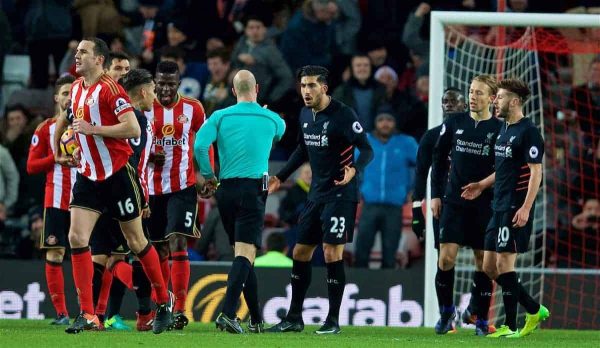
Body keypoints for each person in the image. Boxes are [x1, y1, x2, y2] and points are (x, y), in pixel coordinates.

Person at [52, 37, 171, 334]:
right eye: (77, 52)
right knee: (77, 237)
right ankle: (88, 314)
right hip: (89, 176)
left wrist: (94, 130)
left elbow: (131, 126)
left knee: (136, 242)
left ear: (99, 60)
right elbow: (68, 122)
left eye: (83, 52)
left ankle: (162, 302)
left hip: (117, 176)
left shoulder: (110, 90)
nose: (77, 56)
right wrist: (74, 146)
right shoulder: (78, 89)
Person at [266, 65, 374, 335]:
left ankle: (333, 320)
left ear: (324, 88)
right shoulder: (305, 114)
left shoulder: (343, 114)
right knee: (300, 252)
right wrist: (281, 176)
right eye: (303, 85)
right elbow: (302, 148)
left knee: (330, 252)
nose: (306, 91)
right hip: (316, 194)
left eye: (312, 85)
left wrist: (355, 170)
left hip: (341, 193)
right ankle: (293, 317)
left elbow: (367, 148)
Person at [194, 69, 286, 334]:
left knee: (244, 256)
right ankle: (227, 313)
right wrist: (263, 113)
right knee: (245, 254)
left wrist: (209, 177)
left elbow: (200, 146)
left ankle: (256, 319)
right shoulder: (273, 119)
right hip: (253, 189)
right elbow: (279, 133)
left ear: (233, 91)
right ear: (256, 88)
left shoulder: (219, 116)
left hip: (226, 189)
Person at [462, 78, 550, 338]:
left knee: (504, 263)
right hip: (497, 205)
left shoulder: (528, 131)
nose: (495, 101)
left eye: (499, 97)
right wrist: (481, 184)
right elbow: (502, 170)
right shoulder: (504, 129)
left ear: (514, 101)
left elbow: (536, 172)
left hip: (515, 206)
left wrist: (525, 207)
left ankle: (510, 325)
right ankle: (533, 308)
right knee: (489, 266)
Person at [430, 75, 502, 336]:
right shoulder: (454, 123)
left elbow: (505, 168)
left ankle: (481, 318)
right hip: (454, 202)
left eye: (479, 93)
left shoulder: (499, 129)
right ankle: (447, 311)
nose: (472, 96)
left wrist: (482, 185)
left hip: (485, 204)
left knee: (484, 262)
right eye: (471, 91)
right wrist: (436, 195)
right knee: (446, 258)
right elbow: (438, 161)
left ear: (492, 98)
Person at [146, 60, 209, 330]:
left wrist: (206, 173)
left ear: (179, 83)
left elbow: (203, 142)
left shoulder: (193, 108)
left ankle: (181, 310)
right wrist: (150, 156)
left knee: (178, 242)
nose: (165, 89)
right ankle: (164, 305)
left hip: (183, 185)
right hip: (151, 188)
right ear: (155, 82)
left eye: (171, 84)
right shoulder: (145, 107)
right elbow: (131, 143)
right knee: (158, 248)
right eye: (161, 83)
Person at [26, 75, 76, 325]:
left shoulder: (87, 126)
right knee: (55, 255)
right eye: (64, 93)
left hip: (84, 203)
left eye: (72, 92)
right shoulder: (45, 129)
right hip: (55, 201)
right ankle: (62, 314)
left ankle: (93, 313)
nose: (69, 97)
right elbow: (31, 166)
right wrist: (54, 159)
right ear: (56, 97)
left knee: (88, 256)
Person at [89, 50, 133, 331]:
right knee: (99, 255)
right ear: (107, 68)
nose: (123, 74)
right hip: (97, 182)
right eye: (119, 68)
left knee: (118, 254)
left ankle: (108, 315)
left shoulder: (135, 108)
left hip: (123, 183)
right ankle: (94, 313)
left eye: (127, 69)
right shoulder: (98, 98)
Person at [354, 111, 417, 269]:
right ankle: (359, 288)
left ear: (394, 123)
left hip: (394, 207)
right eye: (381, 119)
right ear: (375, 122)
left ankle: (386, 290)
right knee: (361, 251)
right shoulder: (365, 140)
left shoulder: (406, 142)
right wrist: (356, 188)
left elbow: (422, 164)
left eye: (389, 119)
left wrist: (415, 189)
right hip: (369, 205)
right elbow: (349, 166)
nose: (385, 123)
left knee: (390, 253)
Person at [231, 15, 294, 107]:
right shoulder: (242, 43)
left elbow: (286, 77)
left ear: (264, 29)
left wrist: (271, 98)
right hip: (236, 96)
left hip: (258, 100)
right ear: (246, 30)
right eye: (251, 28)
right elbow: (232, 63)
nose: (255, 31)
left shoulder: (271, 50)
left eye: (258, 27)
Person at [332, 54, 387, 132]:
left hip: (377, 138)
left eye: (366, 65)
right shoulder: (342, 91)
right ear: (352, 69)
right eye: (358, 65)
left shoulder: (381, 90)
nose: (362, 68)